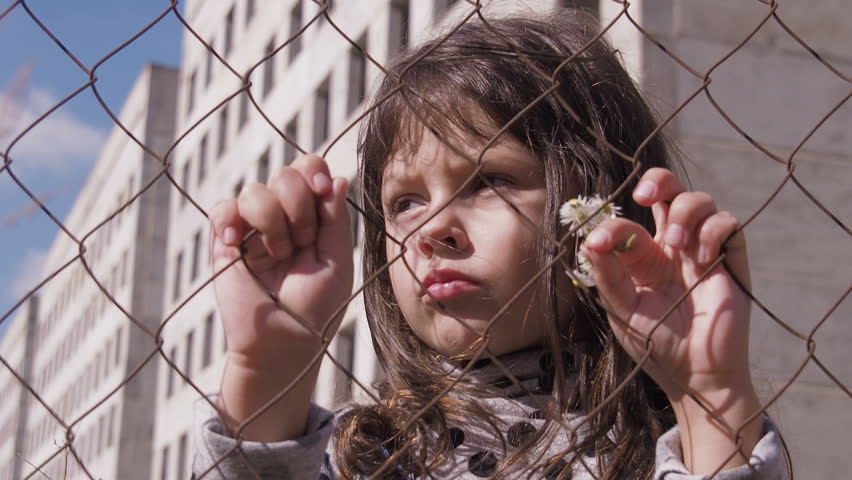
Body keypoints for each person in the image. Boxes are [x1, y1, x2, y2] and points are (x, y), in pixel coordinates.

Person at [193, 10, 788, 480]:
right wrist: (271, 371)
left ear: (602, 205)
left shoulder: (664, 449)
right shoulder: (360, 454)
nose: (432, 230)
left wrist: (707, 395)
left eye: (490, 181)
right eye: (405, 202)